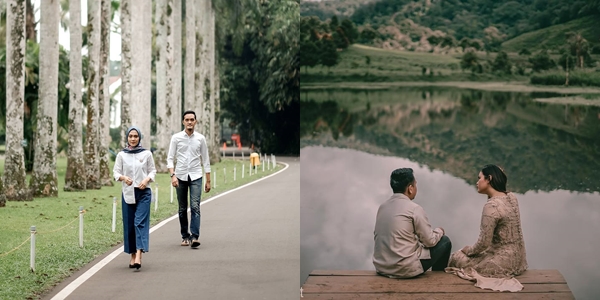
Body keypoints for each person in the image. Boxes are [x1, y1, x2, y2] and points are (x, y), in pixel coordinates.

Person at [448, 164, 528, 278]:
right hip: (519, 261)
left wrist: (468, 250)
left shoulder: (491, 206)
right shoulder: (511, 197)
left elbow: (483, 243)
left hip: (503, 263)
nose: (477, 182)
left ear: (489, 179)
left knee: (456, 257)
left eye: (479, 178)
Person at [373, 168, 452, 279]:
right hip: (404, 269)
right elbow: (430, 241)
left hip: (382, 267)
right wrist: (439, 231)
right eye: (415, 185)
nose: (416, 188)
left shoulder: (382, 207)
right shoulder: (414, 209)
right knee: (445, 241)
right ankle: (438, 279)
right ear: (410, 188)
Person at [113, 126, 156, 270]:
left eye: (135, 136)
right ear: (127, 137)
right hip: (128, 193)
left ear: (139, 138)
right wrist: (124, 178)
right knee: (130, 225)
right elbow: (116, 173)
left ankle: (139, 254)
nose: (133, 139)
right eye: (130, 136)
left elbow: (152, 171)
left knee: (139, 222)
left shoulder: (146, 154)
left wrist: (146, 180)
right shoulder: (121, 155)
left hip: (143, 193)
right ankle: (132, 255)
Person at [167, 110, 211, 249]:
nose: (190, 122)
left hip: (196, 176)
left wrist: (208, 180)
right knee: (182, 208)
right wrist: (172, 175)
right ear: (183, 122)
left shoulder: (200, 139)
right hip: (180, 176)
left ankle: (195, 236)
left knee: (195, 206)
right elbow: (170, 158)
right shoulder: (176, 138)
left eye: (192, 119)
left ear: (195, 121)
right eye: (187, 120)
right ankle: (185, 236)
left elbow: (206, 159)